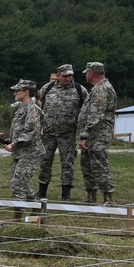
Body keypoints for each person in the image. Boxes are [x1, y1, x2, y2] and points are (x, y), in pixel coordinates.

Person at [37, 64, 87, 200]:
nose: (68, 78)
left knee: (67, 163)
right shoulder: (47, 88)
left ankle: (66, 192)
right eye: (65, 76)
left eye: (70, 75)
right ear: (58, 76)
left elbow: (85, 112)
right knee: (45, 161)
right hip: (48, 133)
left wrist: (83, 134)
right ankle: (42, 189)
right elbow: (37, 107)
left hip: (68, 134)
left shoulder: (79, 90)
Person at [2, 80, 45, 215]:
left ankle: (18, 215)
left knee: (18, 184)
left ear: (26, 92)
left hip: (30, 153)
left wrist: (14, 144)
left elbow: (30, 133)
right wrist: (11, 140)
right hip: (20, 152)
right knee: (21, 182)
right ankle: (37, 207)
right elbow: (21, 129)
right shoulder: (22, 108)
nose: (14, 93)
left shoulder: (32, 109)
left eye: (17, 91)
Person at [78, 62, 118, 205]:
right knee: (87, 165)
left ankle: (108, 197)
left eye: (86, 73)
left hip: (98, 134)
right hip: (92, 134)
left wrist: (84, 134)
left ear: (91, 73)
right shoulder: (97, 89)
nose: (86, 76)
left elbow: (96, 115)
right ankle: (91, 195)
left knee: (99, 164)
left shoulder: (102, 89)